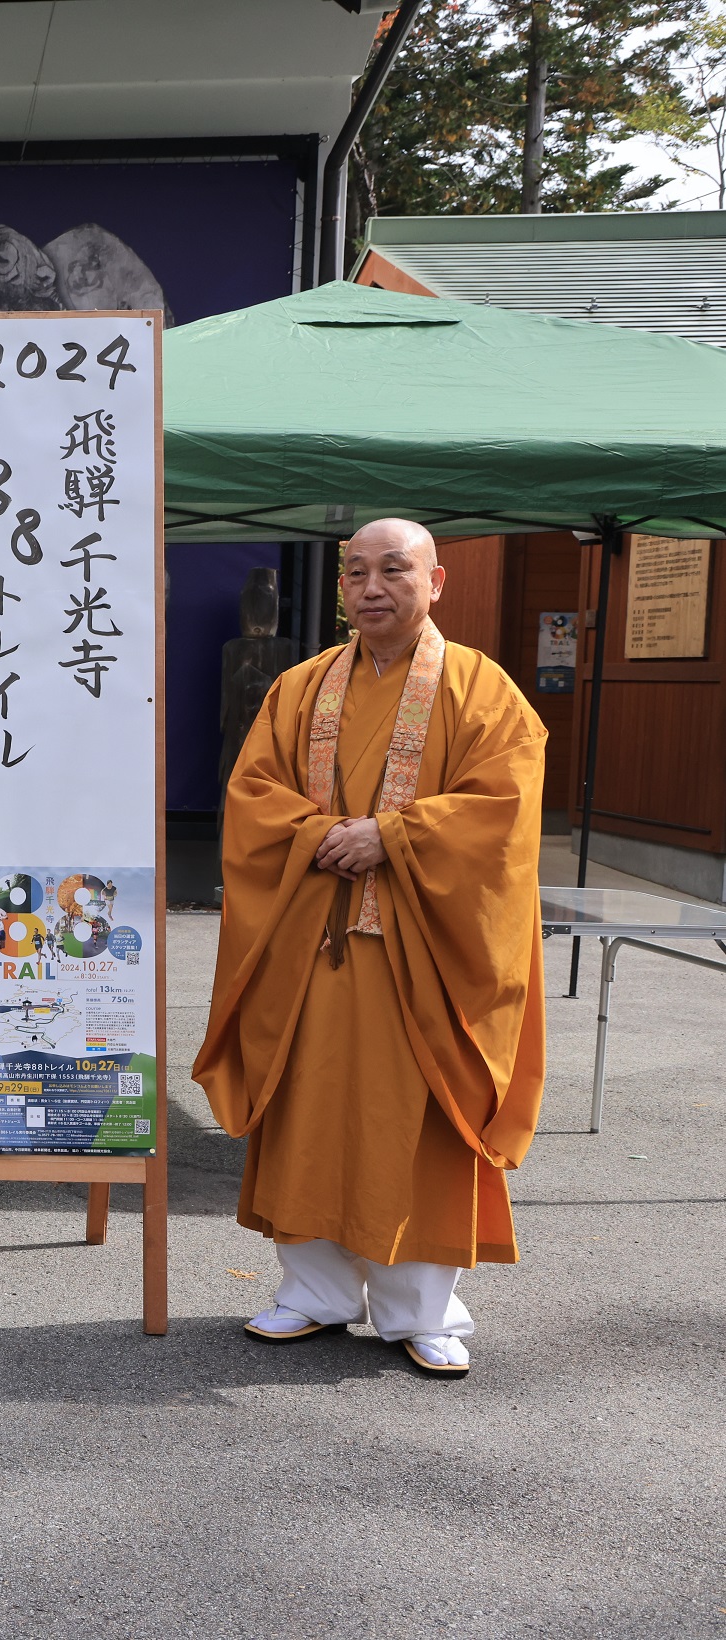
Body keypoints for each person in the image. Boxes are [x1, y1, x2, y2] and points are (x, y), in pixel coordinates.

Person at [195, 519, 547, 1379]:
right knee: (307, 1109)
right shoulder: (299, 688)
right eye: (355, 573)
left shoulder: (483, 690)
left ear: (436, 582)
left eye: (394, 570)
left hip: (422, 959)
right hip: (313, 949)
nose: (372, 587)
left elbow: (502, 809)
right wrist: (319, 834)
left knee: (416, 1122)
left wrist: (394, 835)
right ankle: (314, 1290)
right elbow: (252, 793)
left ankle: (418, 1309)